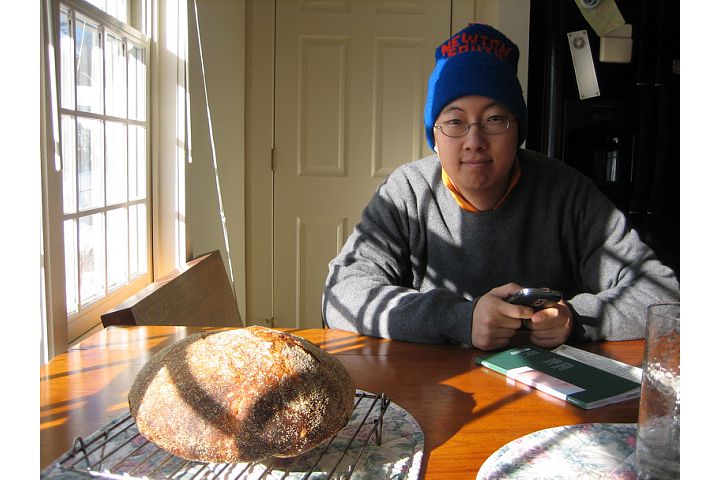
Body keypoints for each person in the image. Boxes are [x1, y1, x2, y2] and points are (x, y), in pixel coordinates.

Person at [321, 23, 679, 351]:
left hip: (544, 392)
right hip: (434, 391)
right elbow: (342, 293)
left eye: (495, 119)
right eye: (455, 121)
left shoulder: (566, 193)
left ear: (518, 132)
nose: (474, 140)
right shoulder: (408, 192)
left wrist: (576, 317)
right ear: (434, 135)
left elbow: (664, 298)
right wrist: (461, 318)